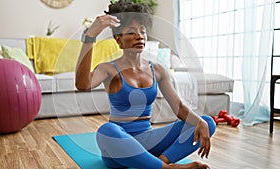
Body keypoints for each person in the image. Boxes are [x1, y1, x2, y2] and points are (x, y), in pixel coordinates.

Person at [75, 1, 216, 169]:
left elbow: (179, 108)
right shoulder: (108, 69)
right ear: (118, 40)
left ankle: (161, 163)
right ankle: (167, 168)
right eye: (131, 32)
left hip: (150, 143)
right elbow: (82, 84)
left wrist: (199, 122)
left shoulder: (157, 70)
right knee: (106, 131)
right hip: (119, 147)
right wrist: (90, 36)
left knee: (207, 121)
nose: (139, 36)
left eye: (142, 31)